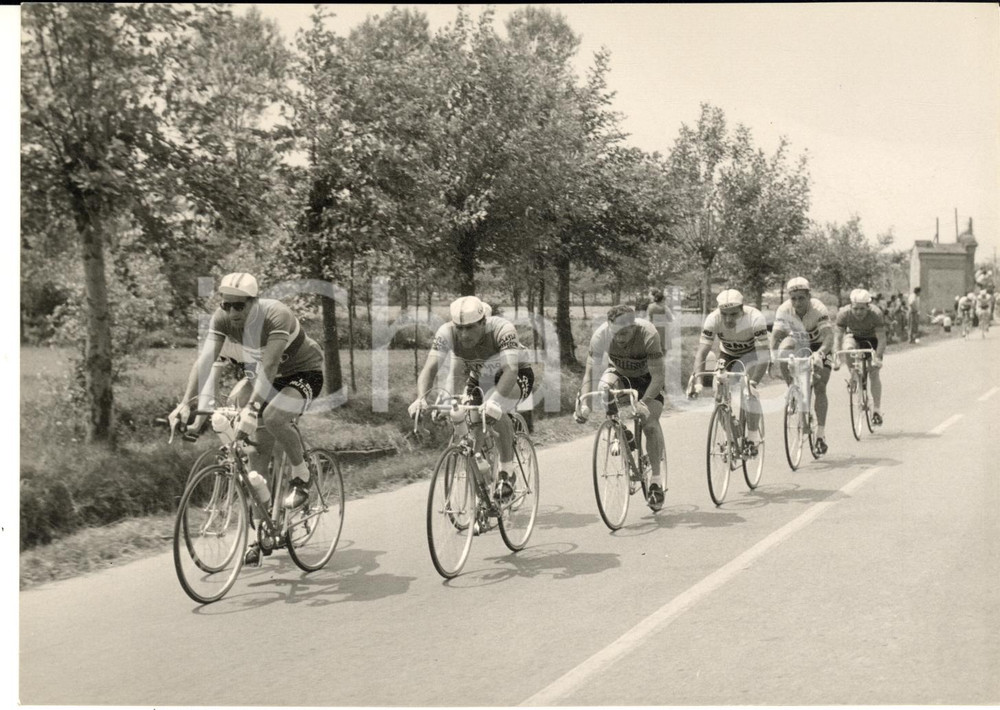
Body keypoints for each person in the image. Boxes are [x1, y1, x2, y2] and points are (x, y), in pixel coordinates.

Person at [170, 273, 325, 561]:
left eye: (239, 306)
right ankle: (264, 531)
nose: (231, 312)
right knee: (256, 454)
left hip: (301, 374)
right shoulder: (223, 319)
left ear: (254, 303)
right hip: (263, 379)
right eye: (226, 305)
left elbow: (269, 365)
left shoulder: (276, 315)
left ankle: (302, 474)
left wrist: (253, 410)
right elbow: (205, 362)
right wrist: (185, 404)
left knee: (275, 416)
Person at [408, 295, 534, 507]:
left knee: (495, 410)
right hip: (480, 378)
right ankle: (482, 488)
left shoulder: (502, 329)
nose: (464, 334)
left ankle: (506, 471)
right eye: (460, 328)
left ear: (484, 322)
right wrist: (422, 398)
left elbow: (510, 371)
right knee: (473, 423)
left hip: (514, 374)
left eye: (471, 328)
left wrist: (493, 402)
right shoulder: (447, 333)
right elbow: (431, 370)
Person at [575, 304, 668, 509]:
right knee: (604, 387)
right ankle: (620, 432)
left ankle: (656, 482)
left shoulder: (648, 334)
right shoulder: (600, 336)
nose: (619, 338)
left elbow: (659, 376)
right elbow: (590, 373)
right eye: (615, 333)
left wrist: (644, 403)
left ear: (634, 327)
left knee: (650, 425)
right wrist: (585, 405)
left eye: (625, 333)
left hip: (647, 380)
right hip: (619, 375)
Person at [686, 288, 769, 456]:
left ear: (742, 310)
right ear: (719, 311)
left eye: (733, 314)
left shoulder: (755, 318)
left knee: (749, 392)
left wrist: (753, 382)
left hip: (753, 355)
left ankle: (753, 438)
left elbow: (764, 355)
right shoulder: (713, 319)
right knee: (718, 395)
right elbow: (702, 353)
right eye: (725, 314)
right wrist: (698, 382)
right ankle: (732, 435)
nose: (728, 319)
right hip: (728, 355)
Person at [768, 277, 834, 454]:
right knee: (783, 352)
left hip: (819, 346)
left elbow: (829, 336)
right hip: (798, 343)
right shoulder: (784, 309)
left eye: (801, 298)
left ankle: (820, 434)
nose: (797, 302)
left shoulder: (818, 308)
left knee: (820, 386)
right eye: (793, 298)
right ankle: (793, 391)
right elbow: (776, 335)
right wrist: (772, 356)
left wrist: (820, 353)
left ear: (809, 296)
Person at [833, 288, 887, 426]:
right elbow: (838, 337)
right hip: (854, 336)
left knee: (873, 372)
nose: (858, 312)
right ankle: (854, 374)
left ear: (868, 307)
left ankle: (876, 409)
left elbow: (881, 338)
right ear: (851, 306)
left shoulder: (876, 314)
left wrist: (878, 357)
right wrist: (836, 356)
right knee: (848, 348)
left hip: (872, 339)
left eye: (862, 309)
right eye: (855, 308)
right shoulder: (844, 313)